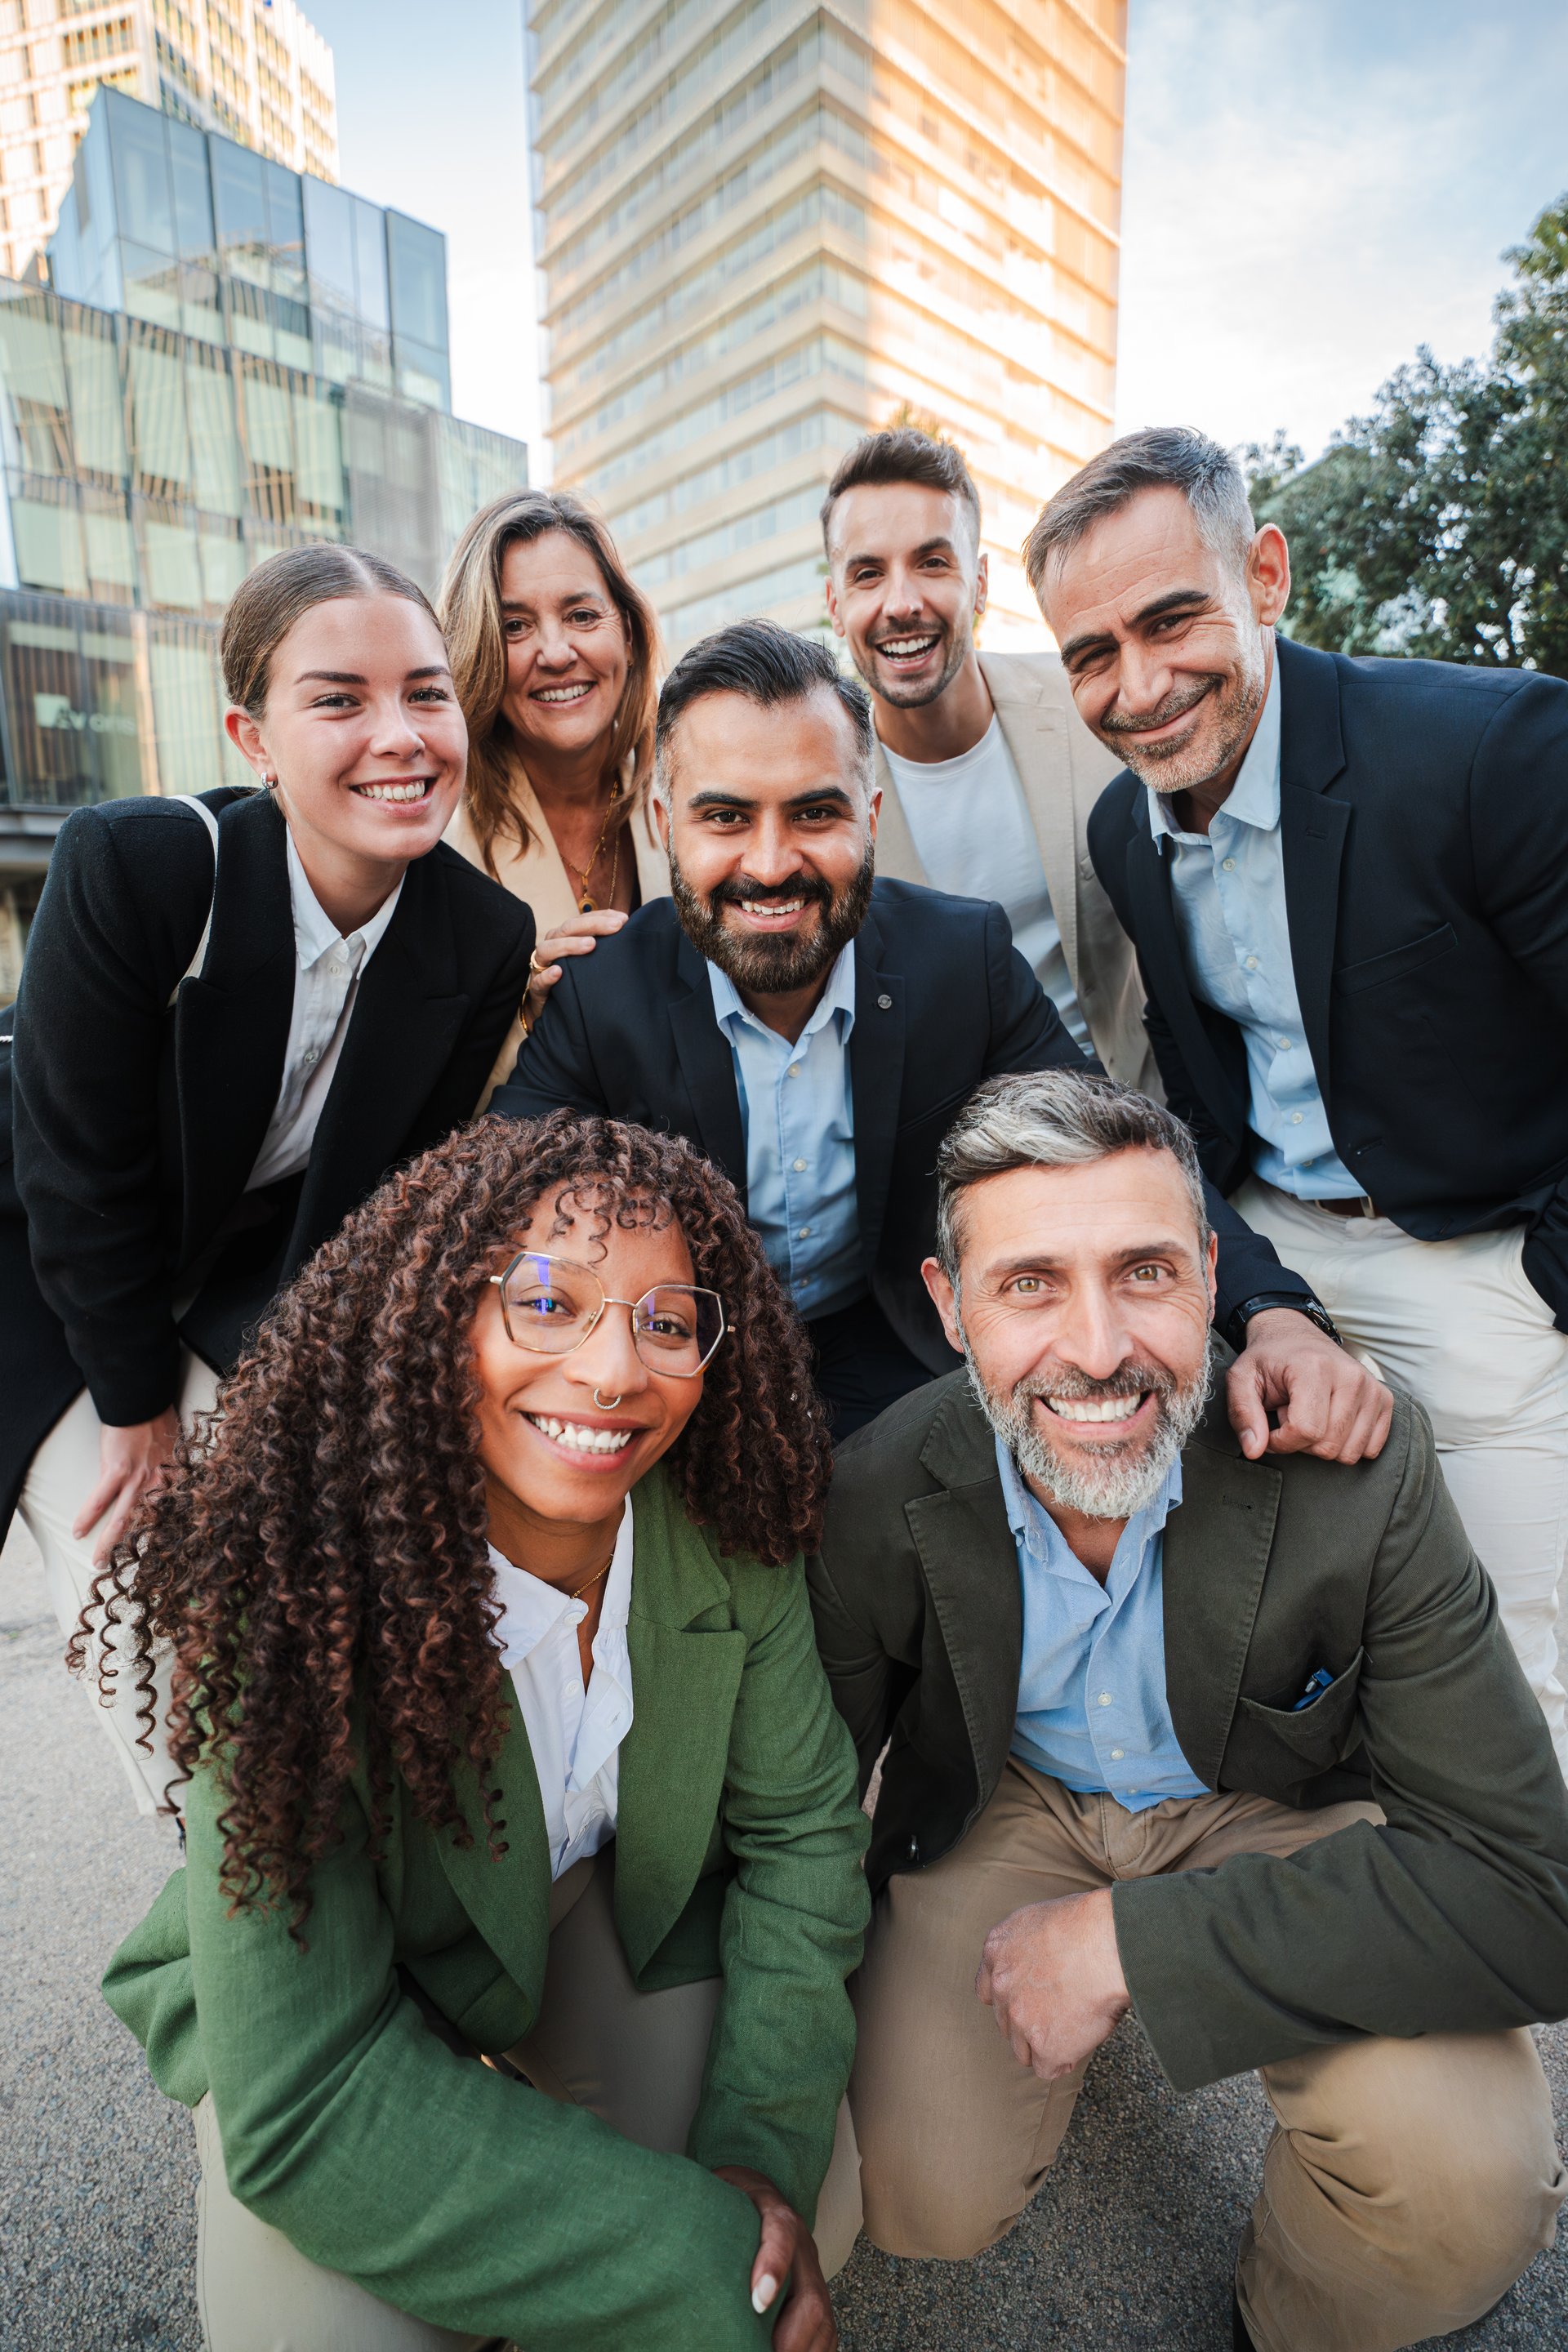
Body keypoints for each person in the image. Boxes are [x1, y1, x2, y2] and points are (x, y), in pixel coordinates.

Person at [809, 1069, 1568, 2352]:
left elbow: (1534, 1898)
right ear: (950, 1309)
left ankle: (1284, 2312)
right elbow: (807, 1811)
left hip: (1271, 1807)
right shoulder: (873, 1493)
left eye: (1146, 1273)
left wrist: (1129, 1944)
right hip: (1014, 1806)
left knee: (1464, 2190)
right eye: (1031, 1283)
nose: (1100, 1351)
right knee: (916, 2197)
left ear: (1215, 1276)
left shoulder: (1359, 1479)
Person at [98, 1111, 868, 2352]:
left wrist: (756, 2171)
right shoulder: (295, 1600)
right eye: (548, 1304)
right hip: (330, 1987)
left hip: (563, 1909)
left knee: (811, 2209)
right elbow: (308, 2104)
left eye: (667, 1323)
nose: (615, 1371)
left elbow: (804, 1839)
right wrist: (688, 2250)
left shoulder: (726, 1531)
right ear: (434, 1318)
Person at [494, 617, 1387, 1457]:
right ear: (664, 826)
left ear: (871, 818)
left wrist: (1274, 1313)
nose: (770, 865)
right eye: (725, 818)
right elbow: (482, 1207)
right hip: (684, 1357)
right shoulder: (603, 992)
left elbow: (1122, 1151)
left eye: (815, 814)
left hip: (894, 1349)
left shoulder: (964, 957)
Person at [1022, 425, 1568, 1767]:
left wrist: (1544, 1285)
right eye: (1092, 654)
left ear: (1264, 575)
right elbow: (1202, 1113)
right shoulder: (1122, 832)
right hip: (1273, 1248)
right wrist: (1257, 1294)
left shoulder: (1490, 751)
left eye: (1171, 621)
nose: (1138, 689)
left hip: (1485, 1259)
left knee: (1519, 1694)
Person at [1, 544, 535, 1811]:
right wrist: (141, 1409)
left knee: (300, 1578)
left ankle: (325, 1882)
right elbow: (73, 1175)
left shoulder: (479, 934)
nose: (399, 737)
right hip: (31, 1262)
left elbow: (369, 1210)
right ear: (253, 732)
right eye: (338, 698)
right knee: (141, 1591)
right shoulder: (137, 867)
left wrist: (285, 1415)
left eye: (426, 692)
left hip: (207, 1275)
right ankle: (243, 1925)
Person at [822, 428, 1149, 1085]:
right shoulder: (818, 795)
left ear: (981, 583)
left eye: (933, 563)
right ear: (835, 605)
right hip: (960, 1151)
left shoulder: (1093, 700)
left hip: (1139, 1108)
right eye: (867, 574)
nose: (902, 603)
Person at [439, 488, 669, 1089]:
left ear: (628, 633)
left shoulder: (692, 802)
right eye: (515, 626)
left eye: (582, 615)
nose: (557, 652)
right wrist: (529, 1016)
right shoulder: (436, 847)